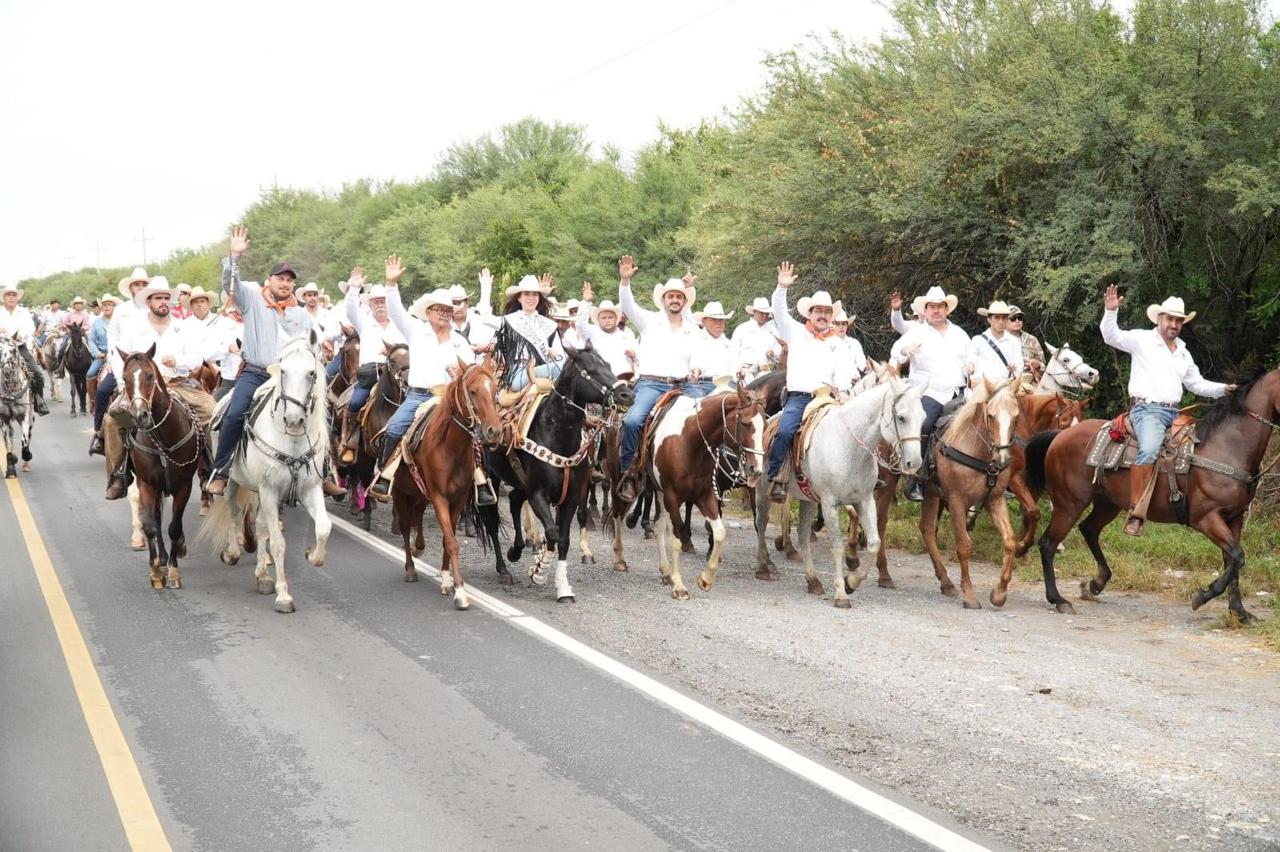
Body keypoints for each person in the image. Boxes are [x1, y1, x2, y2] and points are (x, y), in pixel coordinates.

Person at [206, 225, 345, 498]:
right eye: (279, 279)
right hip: (257, 373)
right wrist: (233, 258)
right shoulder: (252, 301)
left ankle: (324, 473)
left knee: (323, 415)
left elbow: (311, 347)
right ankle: (220, 471)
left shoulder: (301, 315)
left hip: (291, 378)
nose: (284, 284)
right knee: (233, 414)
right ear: (268, 281)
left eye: (289, 280)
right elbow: (229, 286)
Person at [1100, 286, 1234, 536]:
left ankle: (1188, 503)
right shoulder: (1142, 339)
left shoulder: (1183, 351)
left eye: (1178, 320)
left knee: (1201, 449)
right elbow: (1111, 336)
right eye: (1170, 319)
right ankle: (1137, 511)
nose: (1174, 324)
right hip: (1146, 411)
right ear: (1159, 319)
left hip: (1176, 413)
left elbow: (1197, 384)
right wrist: (1110, 312)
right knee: (1149, 449)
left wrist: (1225, 389)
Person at [368, 256, 481, 502]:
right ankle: (382, 475)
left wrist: (461, 374)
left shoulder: (460, 341)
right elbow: (396, 311)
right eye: (439, 310)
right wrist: (390, 283)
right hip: (420, 396)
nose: (445, 314)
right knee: (394, 428)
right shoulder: (416, 330)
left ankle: (481, 483)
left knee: (479, 435)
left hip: (452, 399)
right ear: (428, 312)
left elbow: (472, 372)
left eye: (448, 310)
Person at [104, 278, 218, 499]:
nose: (164, 302)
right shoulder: (133, 328)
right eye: (159, 298)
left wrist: (177, 361)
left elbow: (196, 357)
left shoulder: (184, 327)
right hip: (140, 387)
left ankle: (209, 468)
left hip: (177, 384)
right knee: (112, 420)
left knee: (212, 411)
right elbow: (120, 357)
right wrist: (124, 383)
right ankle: (120, 473)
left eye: (167, 298)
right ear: (149, 302)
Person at [615, 256, 699, 501]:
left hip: (683, 386)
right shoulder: (648, 320)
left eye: (679, 297)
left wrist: (696, 368)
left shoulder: (691, 327)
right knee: (632, 421)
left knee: (710, 418)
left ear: (684, 302)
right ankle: (629, 472)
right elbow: (627, 305)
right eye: (670, 296)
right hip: (651, 384)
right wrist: (624, 281)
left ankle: (707, 473)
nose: (675, 300)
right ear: (663, 300)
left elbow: (698, 354)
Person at [765, 262, 845, 502]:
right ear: (809, 313)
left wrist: (844, 391)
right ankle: (777, 476)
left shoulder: (837, 343)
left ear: (832, 316)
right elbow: (779, 311)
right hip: (800, 398)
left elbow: (843, 372)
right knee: (787, 430)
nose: (823, 315)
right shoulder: (795, 331)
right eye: (818, 311)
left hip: (829, 399)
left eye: (827, 311)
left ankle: (860, 479)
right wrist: (781, 287)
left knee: (857, 429)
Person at [891, 285, 971, 501]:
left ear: (947, 310)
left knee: (981, 423)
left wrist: (972, 365)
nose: (936, 311)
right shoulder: (916, 332)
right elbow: (896, 351)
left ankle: (977, 477)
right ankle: (916, 479)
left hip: (957, 392)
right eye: (932, 307)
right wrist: (905, 352)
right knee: (924, 425)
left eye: (940, 307)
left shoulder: (960, 334)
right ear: (925, 311)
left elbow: (971, 357)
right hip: (928, 392)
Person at [337, 269, 407, 463]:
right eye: (376, 302)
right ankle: (349, 441)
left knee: (414, 401)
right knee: (356, 401)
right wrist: (354, 287)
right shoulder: (364, 323)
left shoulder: (400, 324)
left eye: (383, 301)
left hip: (398, 374)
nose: (380, 306)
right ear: (370, 304)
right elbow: (351, 309)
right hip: (371, 373)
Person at [472, 272, 562, 390]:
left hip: (545, 370)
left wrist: (555, 354)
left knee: (565, 368)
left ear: (539, 298)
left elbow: (561, 356)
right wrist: (486, 288)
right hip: (519, 373)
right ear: (519, 298)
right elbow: (485, 318)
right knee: (560, 368)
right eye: (526, 294)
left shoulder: (548, 324)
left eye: (535, 294)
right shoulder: (510, 320)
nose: (531, 298)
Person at [0, 283, 48, 414]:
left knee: (38, 375)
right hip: (1, 348)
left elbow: (31, 328)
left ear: (17, 298)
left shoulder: (24, 312)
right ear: (4, 298)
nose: (11, 297)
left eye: (14, 295)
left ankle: (39, 402)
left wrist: (22, 334)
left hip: (19, 348)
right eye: (8, 295)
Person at [574, 285, 638, 380]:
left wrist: (634, 356)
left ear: (616, 319)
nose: (607, 320)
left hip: (627, 381)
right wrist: (586, 302)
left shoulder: (627, 335)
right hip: (602, 383)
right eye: (604, 318)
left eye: (610, 317)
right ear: (598, 320)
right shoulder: (592, 333)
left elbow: (639, 358)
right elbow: (580, 324)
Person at [965, 300, 1023, 385]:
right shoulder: (977, 341)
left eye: (1004, 318)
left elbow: (1019, 366)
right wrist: (970, 366)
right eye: (997, 317)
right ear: (989, 319)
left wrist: (1014, 368)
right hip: (983, 388)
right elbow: (970, 360)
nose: (1001, 321)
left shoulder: (1014, 342)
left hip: (1006, 388)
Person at [687, 301, 737, 397]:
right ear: (704, 321)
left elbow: (735, 367)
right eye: (714, 319)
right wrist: (696, 370)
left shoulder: (728, 344)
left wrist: (741, 372)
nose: (719, 323)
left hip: (728, 384)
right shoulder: (694, 339)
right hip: (703, 385)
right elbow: (694, 362)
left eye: (721, 320)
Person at [732, 296, 781, 379]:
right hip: (745, 371)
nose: (764, 316)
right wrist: (737, 370)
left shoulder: (773, 330)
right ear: (754, 312)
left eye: (766, 313)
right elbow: (733, 352)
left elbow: (780, 350)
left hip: (767, 371)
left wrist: (773, 353)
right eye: (761, 313)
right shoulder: (742, 329)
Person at [830, 300, 868, 391]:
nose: (841, 327)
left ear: (847, 325)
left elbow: (862, 365)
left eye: (844, 324)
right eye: (838, 324)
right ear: (833, 326)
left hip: (854, 387)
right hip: (836, 389)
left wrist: (869, 368)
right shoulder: (828, 343)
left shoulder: (854, 343)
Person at [86, 293, 116, 394]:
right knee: (90, 373)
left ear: (114, 307)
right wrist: (97, 353)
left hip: (118, 356)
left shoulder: (119, 321)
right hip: (102, 355)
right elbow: (91, 340)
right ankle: (93, 401)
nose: (107, 306)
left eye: (109, 304)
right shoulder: (96, 322)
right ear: (101, 307)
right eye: (104, 305)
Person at [1005, 305, 1045, 382]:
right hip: (1006, 383)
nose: (1017, 321)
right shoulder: (999, 340)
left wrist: (1038, 366)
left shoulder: (1032, 340)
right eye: (1013, 318)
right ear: (1005, 321)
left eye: (1020, 317)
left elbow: (1043, 366)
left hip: (1030, 383)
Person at [57, 296, 93, 361]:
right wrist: (67, 327)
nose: (78, 305)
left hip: (81, 335)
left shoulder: (85, 314)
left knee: (90, 348)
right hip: (70, 334)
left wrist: (82, 329)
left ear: (82, 305)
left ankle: (92, 362)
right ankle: (60, 367)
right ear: (74, 305)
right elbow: (64, 322)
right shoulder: (70, 314)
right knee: (62, 349)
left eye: (79, 304)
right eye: (76, 304)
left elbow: (88, 325)